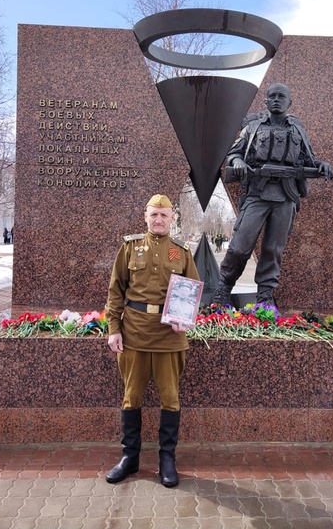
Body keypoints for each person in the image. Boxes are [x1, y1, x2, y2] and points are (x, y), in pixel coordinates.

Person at [104, 194, 200, 488]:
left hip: (169, 338)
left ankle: (167, 460)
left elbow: (193, 292)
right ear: (145, 216)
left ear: (173, 218)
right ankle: (130, 457)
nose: (159, 220)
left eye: (164, 215)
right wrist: (113, 328)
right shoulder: (130, 247)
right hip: (134, 334)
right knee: (131, 397)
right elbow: (115, 290)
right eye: (154, 214)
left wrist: (186, 317)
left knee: (170, 398)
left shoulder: (181, 252)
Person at [212, 83, 332, 307]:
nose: (277, 100)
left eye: (281, 96)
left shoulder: (298, 131)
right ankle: (223, 289)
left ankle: (265, 298)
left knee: (273, 250)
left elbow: (308, 160)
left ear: (289, 103)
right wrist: (237, 162)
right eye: (272, 96)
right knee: (239, 246)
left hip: (286, 196)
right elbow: (235, 153)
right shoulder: (253, 128)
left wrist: (321, 165)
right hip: (257, 194)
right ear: (266, 102)